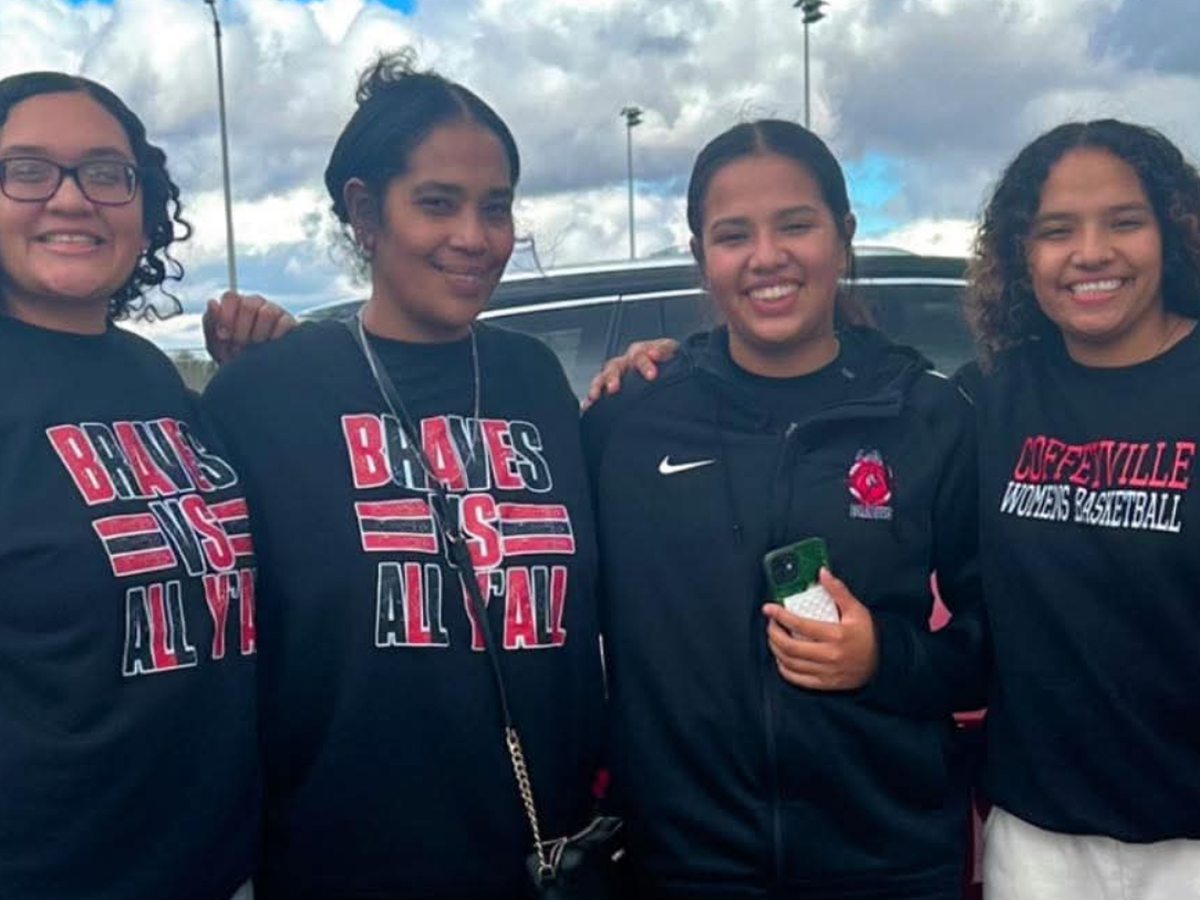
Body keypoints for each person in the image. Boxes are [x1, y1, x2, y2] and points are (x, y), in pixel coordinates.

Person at [202, 52, 605, 900]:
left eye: (495, 206)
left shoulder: (536, 378)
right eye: (437, 203)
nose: (475, 237)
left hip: (546, 860)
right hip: (342, 866)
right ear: (364, 212)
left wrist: (658, 375)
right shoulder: (265, 392)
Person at [581, 118, 987, 900]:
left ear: (843, 234)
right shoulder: (629, 420)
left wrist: (884, 659)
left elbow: (997, 646)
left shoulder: (929, 417)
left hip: (887, 866)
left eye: (795, 225)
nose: (766, 257)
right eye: (733, 235)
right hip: (680, 867)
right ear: (700, 256)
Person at [0, 70, 283, 900]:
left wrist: (263, 380)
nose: (71, 198)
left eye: (105, 172)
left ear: (145, 203)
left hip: (216, 866)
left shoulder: (149, 371)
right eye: (26, 170)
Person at [957, 119, 1200, 900]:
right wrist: (662, 368)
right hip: (1038, 845)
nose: (1090, 253)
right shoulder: (990, 393)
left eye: (1124, 221)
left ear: (1172, 232)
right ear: (1022, 254)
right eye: (1057, 230)